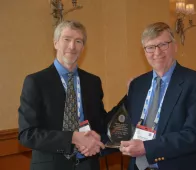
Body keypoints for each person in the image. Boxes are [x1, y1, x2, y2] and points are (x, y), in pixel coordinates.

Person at [18, 20, 121, 170]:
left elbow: (100, 122)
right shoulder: (36, 82)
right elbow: (27, 134)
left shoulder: (92, 82)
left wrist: (130, 94)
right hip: (52, 166)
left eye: (78, 41)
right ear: (56, 43)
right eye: (67, 39)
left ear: (83, 47)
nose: (72, 46)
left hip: (88, 164)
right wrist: (73, 137)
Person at [120, 22, 196, 170]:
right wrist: (95, 140)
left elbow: (194, 135)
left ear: (175, 46)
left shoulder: (195, 82)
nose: (157, 52)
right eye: (150, 47)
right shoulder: (137, 84)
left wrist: (147, 148)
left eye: (163, 45)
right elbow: (123, 124)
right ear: (144, 52)